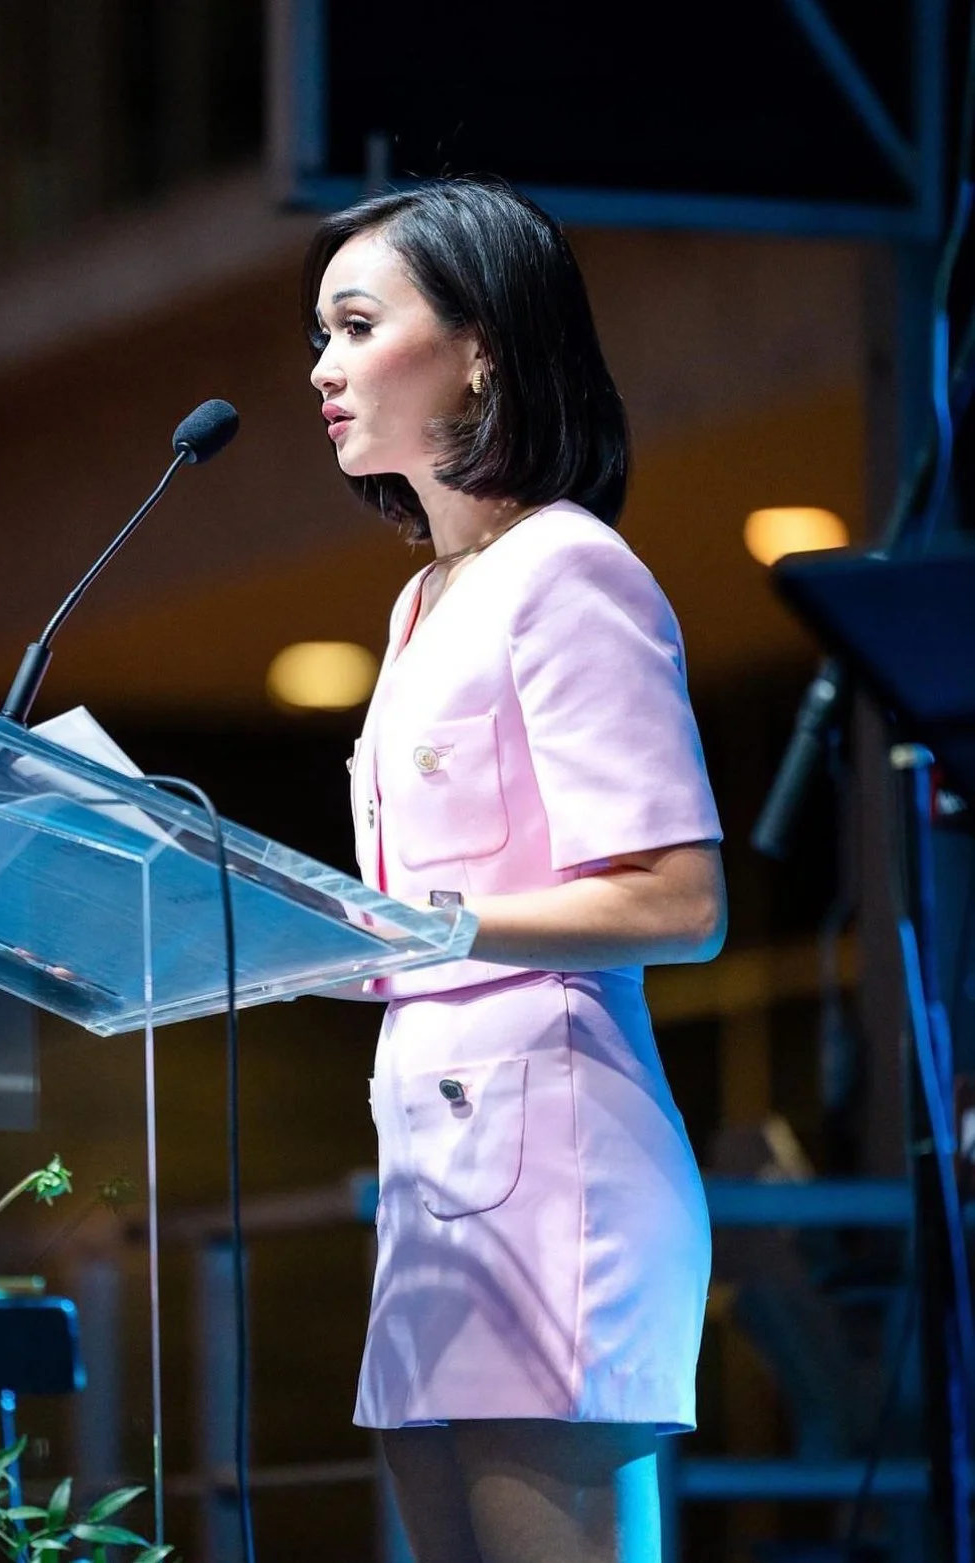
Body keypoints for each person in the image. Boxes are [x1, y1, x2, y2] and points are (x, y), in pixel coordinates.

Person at [302, 177, 727, 1563]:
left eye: (357, 326)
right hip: (431, 1175)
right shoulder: (419, 603)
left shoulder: (568, 569)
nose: (322, 370)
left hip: (557, 1170)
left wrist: (426, 926)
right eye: (320, 336)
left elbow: (679, 900)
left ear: (480, 348)